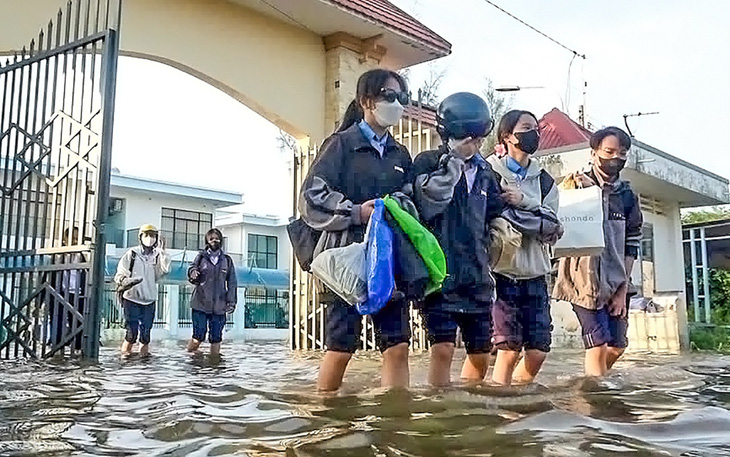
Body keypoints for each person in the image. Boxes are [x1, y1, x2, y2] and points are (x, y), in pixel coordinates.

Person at [299, 68, 414, 391]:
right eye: (388, 97)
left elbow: (411, 200)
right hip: (345, 260)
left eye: (401, 98)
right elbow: (311, 196)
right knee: (341, 346)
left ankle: (395, 422)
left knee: (398, 345)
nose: (396, 104)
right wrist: (354, 212)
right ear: (366, 101)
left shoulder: (400, 154)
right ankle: (324, 418)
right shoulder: (341, 145)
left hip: (387, 260)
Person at [411, 92, 505, 387]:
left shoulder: (486, 172)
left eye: (479, 138)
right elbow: (427, 204)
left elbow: (494, 215)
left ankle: (469, 400)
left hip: (476, 274)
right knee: (443, 347)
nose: (474, 144)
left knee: (481, 352)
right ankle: (438, 404)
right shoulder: (427, 162)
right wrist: (453, 161)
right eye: (469, 137)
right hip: (440, 273)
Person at [553, 126, 643, 377]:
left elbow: (632, 240)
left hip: (616, 281)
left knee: (616, 347)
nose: (616, 157)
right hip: (581, 282)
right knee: (598, 345)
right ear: (593, 153)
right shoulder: (574, 187)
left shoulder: (627, 197)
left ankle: (589, 383)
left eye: (622, 153)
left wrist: (623, 288)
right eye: (609, 151)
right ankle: (596, 406)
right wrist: (580, 192)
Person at [486, 110, 563, 386]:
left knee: (539, 350)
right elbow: (489, 214)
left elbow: (554, 225)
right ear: (507, 135)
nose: (534, 133)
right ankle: (502, 405)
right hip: (501, 272)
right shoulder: (490, 171)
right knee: (507, 348)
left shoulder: (544, 180)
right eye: (526, 127)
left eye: (536, 128)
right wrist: (536, 219)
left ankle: (517, 394)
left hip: (535, 272)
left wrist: (523, 202)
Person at [114, 224, 171, 356]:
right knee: (131, 333)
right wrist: (123, 280)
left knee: (145, 335)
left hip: (149, 300)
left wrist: (163, 254)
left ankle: (143, 364)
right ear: (140, 237)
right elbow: (121, 272)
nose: (149, 238)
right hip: (131, 298)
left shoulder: (157, 256)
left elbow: (162, 273)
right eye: (146, 235)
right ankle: (125, 360)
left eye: (152, 235)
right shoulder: (132, 253)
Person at [187, 228, 237, 356]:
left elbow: (232, 282)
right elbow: (192, 270)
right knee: (198, 336)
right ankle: (190, 357)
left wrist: (231, 302)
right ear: (207, 241)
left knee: (216, 338)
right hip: (200, 304)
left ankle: (214, 368)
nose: (214, 241)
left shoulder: (227, 260)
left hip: (219, 306)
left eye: (217, 238)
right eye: (211, 239)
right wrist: (193, 273)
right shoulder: (201, 257)